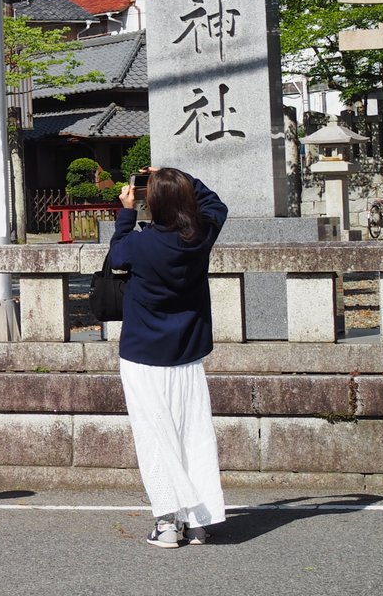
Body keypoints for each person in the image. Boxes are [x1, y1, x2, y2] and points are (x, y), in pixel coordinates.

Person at [106, 165, 229, 548]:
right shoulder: (201, 235)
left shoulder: (142, 244)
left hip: (143, 353)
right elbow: (216, 204)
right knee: (193, 434)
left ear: (151, 203)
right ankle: (198, 521)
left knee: (154, 437)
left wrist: (126, 212)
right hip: (188, 350)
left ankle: (167, 523)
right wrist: (181, 177)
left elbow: (114, 257)